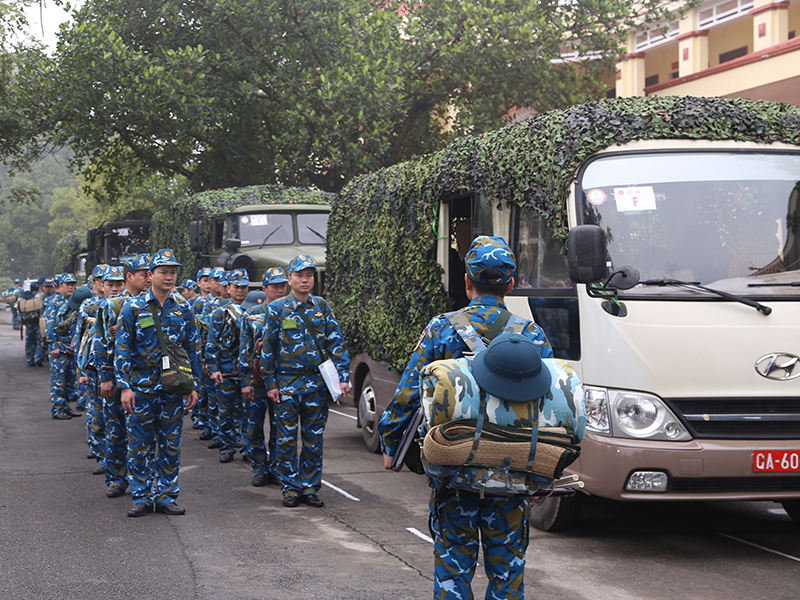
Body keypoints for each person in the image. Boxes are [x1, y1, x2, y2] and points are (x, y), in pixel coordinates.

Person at [378, 235, 554, 600]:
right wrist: (544, 471)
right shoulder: (532, 336)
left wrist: (392, 444)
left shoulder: (442, 328)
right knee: (507, 577)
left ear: (467, 280)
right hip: (512, 473)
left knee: (452, 574)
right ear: (511, 282)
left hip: (455, 472)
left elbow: (409, 393)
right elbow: (551, 407)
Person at [259, 255, 351, 508]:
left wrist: (344, 377)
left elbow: (336, 342)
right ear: (290, 279)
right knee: (286, 440)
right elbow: (268, 349)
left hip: (316, 385)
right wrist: (271, 384)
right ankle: (290, 487)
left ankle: (310, 486)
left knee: (314, 439)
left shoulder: (321, 306)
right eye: (299, 275)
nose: (304, 280)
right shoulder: (276, 309)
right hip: (287, 385)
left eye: (309, 275)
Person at [115, 249, 201, 517]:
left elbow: (192, 348)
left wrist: (193, 384)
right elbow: (122, 348)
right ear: (150, 275)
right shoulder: (133, 307)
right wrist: (125, 386)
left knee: (170, 443)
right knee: (139, 444)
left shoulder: (184, 308)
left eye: (173, 272)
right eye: (163, 271)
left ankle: (166, 495)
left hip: (172, 386)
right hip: (141, 386)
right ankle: (141, 495)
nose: (169, 276)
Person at [95, 258, 149, 499]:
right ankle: (116, 479)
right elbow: (102, 342)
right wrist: (105, 376)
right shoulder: (113, 305)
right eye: (143, 274)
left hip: (145, 379)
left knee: (143, 435)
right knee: (116, 430)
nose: (149, 278)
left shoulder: (153, 303)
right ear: (130, 276)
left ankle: (144, 481)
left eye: (151, 273)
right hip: (117, 379)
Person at [239, 267, 287, 486]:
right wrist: (245, 382)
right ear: (265, 288)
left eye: (282, 285)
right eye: (275, 286)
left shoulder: (291, 311)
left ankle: (276, 468)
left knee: (280, 426)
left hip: (282, 379)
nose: (280, 290)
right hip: (257, 380)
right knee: (255, 425)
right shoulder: (252, 315)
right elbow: (245, 349)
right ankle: (259, 466)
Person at [206, 268, 250, 463]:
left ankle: (249, 447)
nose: (240, 290)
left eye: (244, 287)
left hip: (247, 372)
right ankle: (227, 446)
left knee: (249, 412)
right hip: (226, 371)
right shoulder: (220, 312)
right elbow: (212, 341)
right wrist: (213, 367)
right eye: (236, 287)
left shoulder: (255, 311)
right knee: (226, 411)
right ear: (228, 288)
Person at [75, 265, 108, 471]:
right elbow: (81, 340)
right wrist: (81, 372)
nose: (112, 287)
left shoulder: (128, 305)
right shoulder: (88, 306)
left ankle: (119, 459)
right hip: (94, 369)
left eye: (117, 283)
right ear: (96, 283)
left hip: (116, 371)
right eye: (102, 280)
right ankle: (101, 456)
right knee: (96, 413)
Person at [46, 273, 84, 420]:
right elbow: (50, 326)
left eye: (73, 284)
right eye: (67, 284)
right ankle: (57, 409)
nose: (71, 287)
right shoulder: (54, 303)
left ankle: (66, 407)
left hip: (70, 348)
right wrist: (54, 346)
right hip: (59, 349)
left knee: (69, 381)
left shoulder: (75, 302)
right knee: (58, 381)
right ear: (60, 286)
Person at [17, 281, 45, 367]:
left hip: (28, 324)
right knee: (40, 341)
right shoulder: (39, 297)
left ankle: (30, 360)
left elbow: (20, 312)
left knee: (29, 342)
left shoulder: (23, 299)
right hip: (38, 323)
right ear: (38, 288)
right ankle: (38, 358)